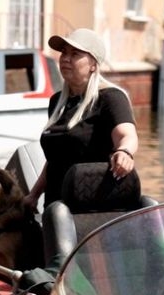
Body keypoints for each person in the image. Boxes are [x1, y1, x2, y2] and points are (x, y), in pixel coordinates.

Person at [22, 28, 138, 212]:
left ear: (93, 64)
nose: (66, 58)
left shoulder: (111, 98)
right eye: (64, 53)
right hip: (56, 207)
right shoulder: (57, 102)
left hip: (94, 207)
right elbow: (55, 159)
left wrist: (125, 152)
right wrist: (34, 195)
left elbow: (127, 135)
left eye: (75, 54)